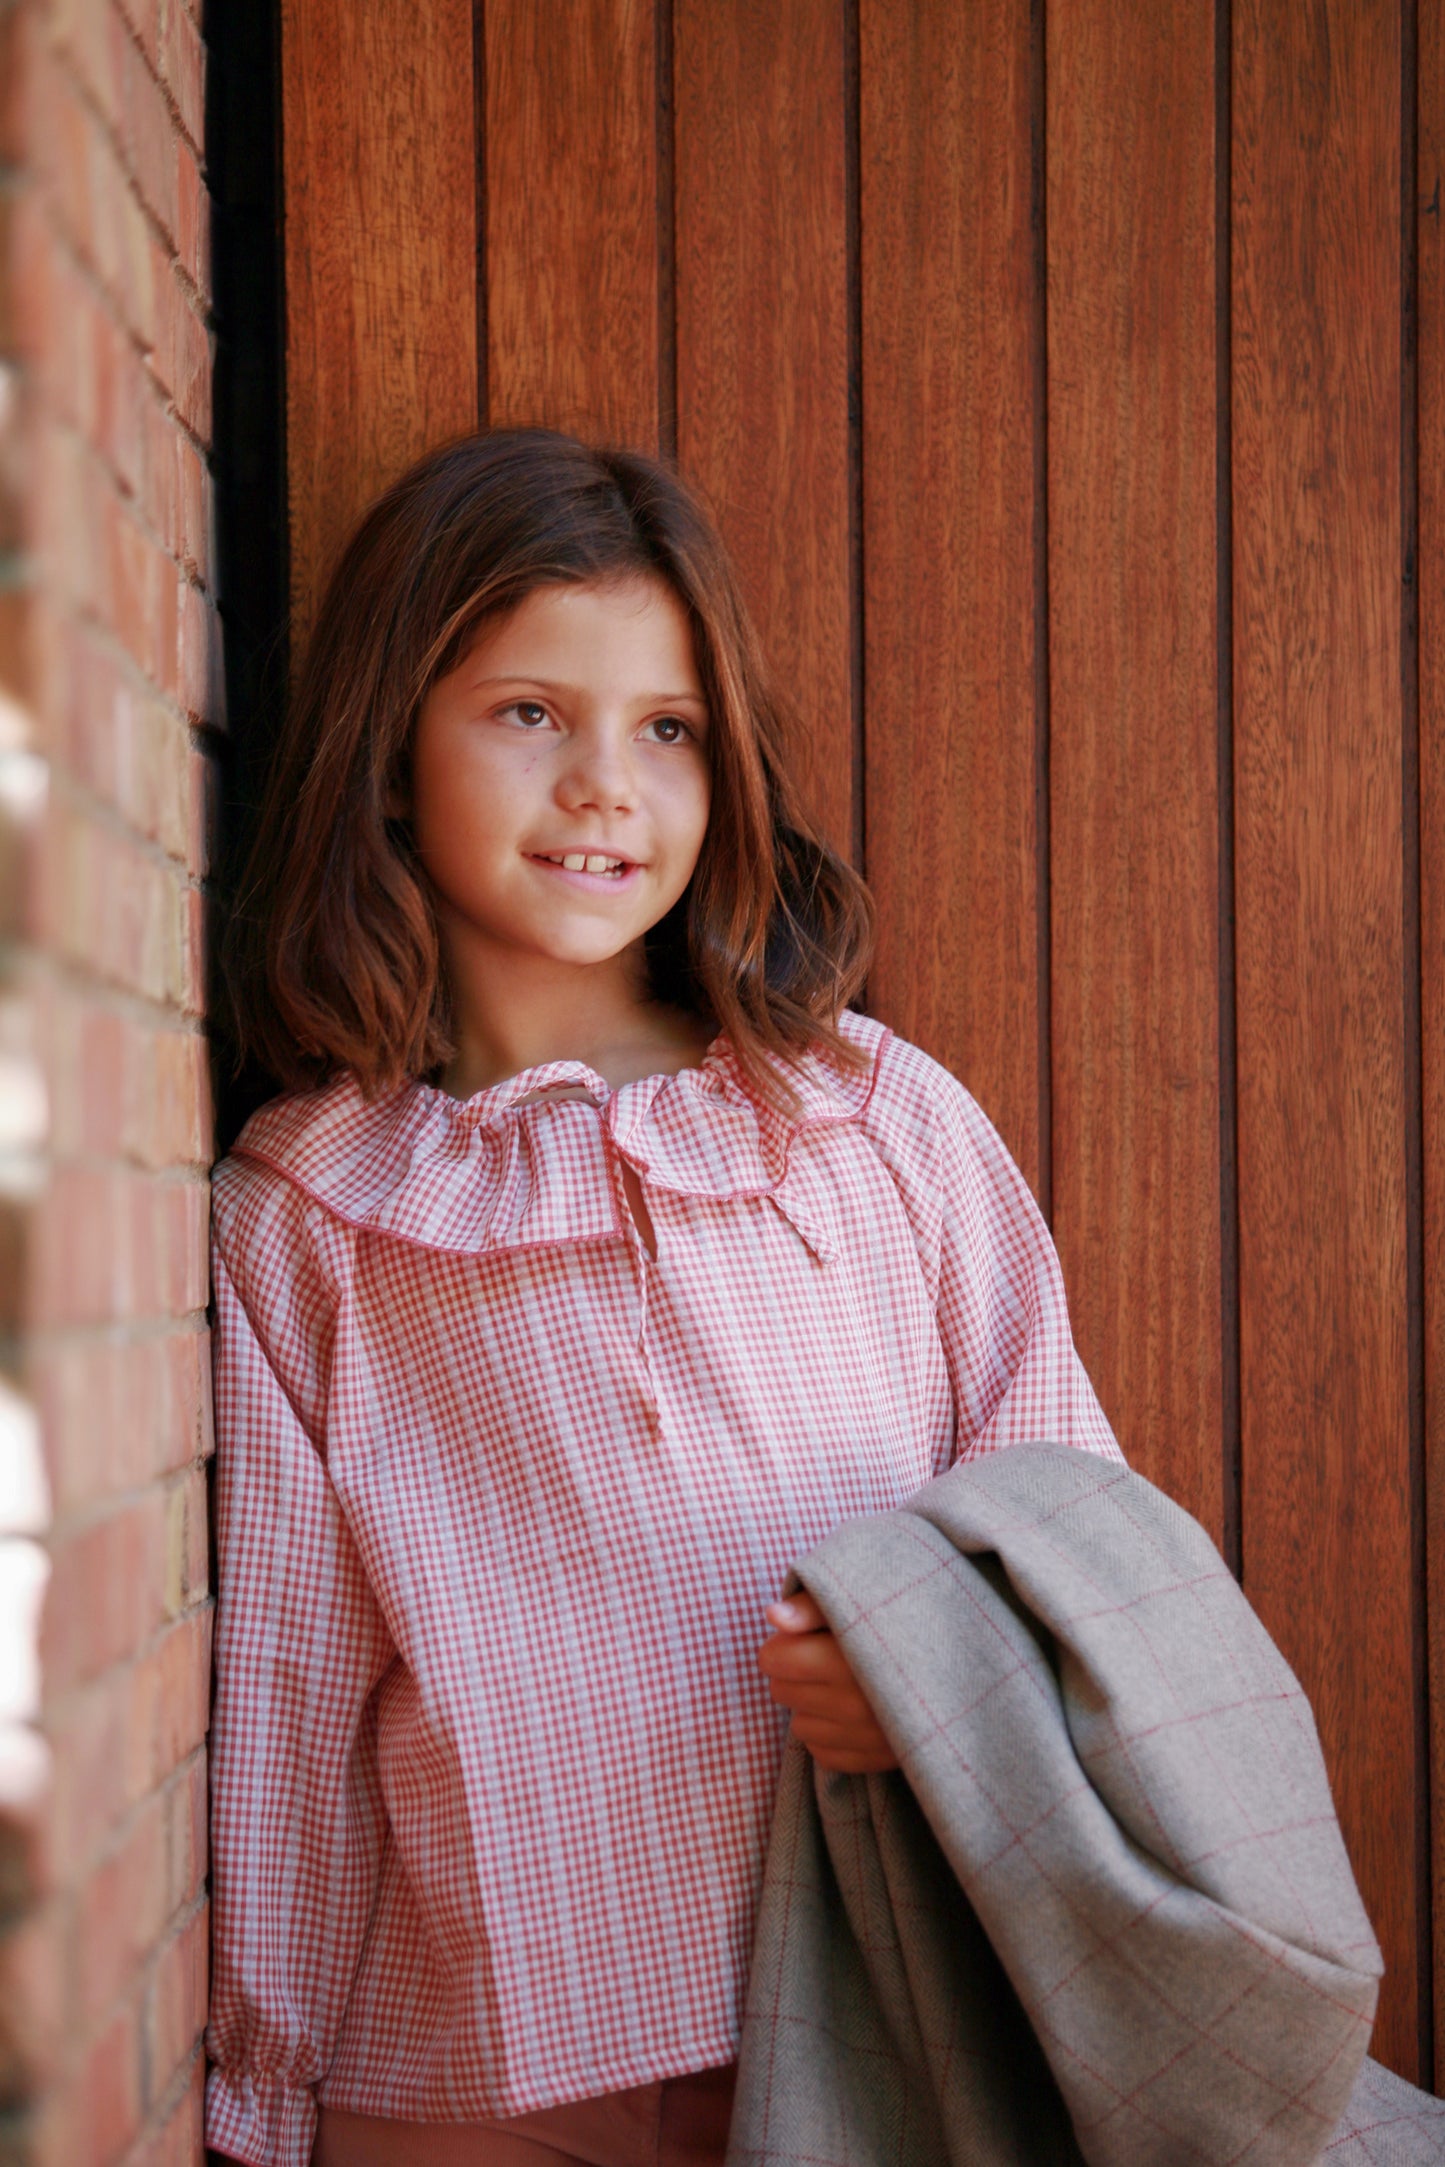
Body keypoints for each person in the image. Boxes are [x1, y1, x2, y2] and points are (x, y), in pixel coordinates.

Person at [205, 429, 1123, 2167]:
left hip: (885, 2002)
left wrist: (935, 1670)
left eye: (666, 729)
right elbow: (285, 1697)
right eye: (529, 713)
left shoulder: (869, 1119)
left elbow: (1071, 1514)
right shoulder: (309, 1206)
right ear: (390, 752)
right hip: (470, 2055)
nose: (605, 783)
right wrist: (255, 2092)